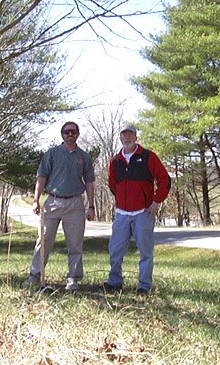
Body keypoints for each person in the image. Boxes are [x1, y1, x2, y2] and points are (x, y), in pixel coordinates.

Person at [23, 121, 96, 291]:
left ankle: (73, 279)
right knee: (44, 240)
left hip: (75, 203)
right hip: (53, 202)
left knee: (75, 244)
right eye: (67, 132)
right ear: (62, 134)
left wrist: (91, 205)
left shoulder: (84, 157)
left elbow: (90, 182)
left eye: (73, 132)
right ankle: (35, 275)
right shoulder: (52, 153)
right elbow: (41, 177)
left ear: (77, 134)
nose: (70, 135)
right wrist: (36, 200)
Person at [103, 123, 171, 294]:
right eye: (124, 135)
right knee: (115, 250)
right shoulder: (115, 161)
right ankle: (114, 282)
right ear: (120, 138)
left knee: (145, 252)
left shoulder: (149, 157)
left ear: (135, 137)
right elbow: (112, 184)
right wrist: (121, 200)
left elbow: (165, 180)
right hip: (122, 214)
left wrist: (156, 201)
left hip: (143, 213)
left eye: (130, 134)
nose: (127, 138)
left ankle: (144, 286)